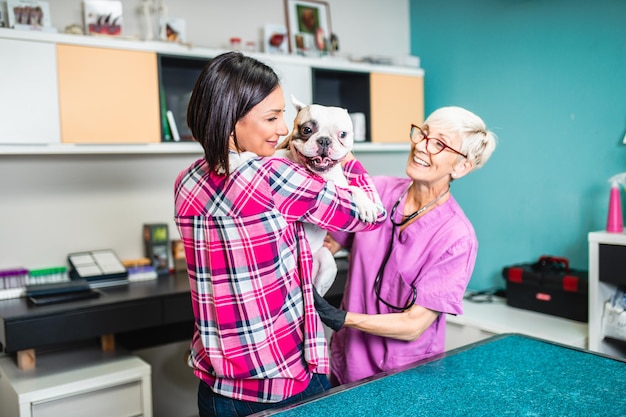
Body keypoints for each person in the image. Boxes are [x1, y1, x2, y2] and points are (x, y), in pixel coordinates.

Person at [174, 51, 386, 417]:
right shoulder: (273, 177)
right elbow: (371, 216)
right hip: (281, 381)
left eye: (284, 115)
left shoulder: (186, 180)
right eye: (272, 117)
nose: (283, 129)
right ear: (228, 122)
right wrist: (342, 152)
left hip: (216, 382)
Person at [316, 106, 497, 385]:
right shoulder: (376, 191)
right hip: (347, 360)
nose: (421, 147)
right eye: (422, 134)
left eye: (438, 144)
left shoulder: (456, 237)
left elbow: (414, 325)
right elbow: (328, 244)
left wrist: (342, 318)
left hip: (403, 376)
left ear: (461, 167)